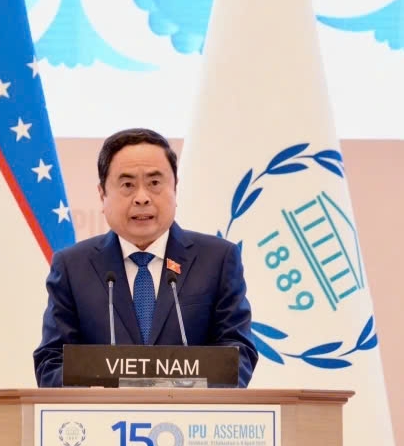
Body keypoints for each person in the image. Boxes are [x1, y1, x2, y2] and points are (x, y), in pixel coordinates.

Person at [33, 128, 258, 387]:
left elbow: (237, 355)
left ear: (175, 188)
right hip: (103, 414)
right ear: (102, 194)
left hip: (193, 413)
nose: (142, 198)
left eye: (154, 183)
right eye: (127, 185)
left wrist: (189, 395)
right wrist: (106, 392)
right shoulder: (72, 267)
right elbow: (51, 363)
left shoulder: (218, 260)